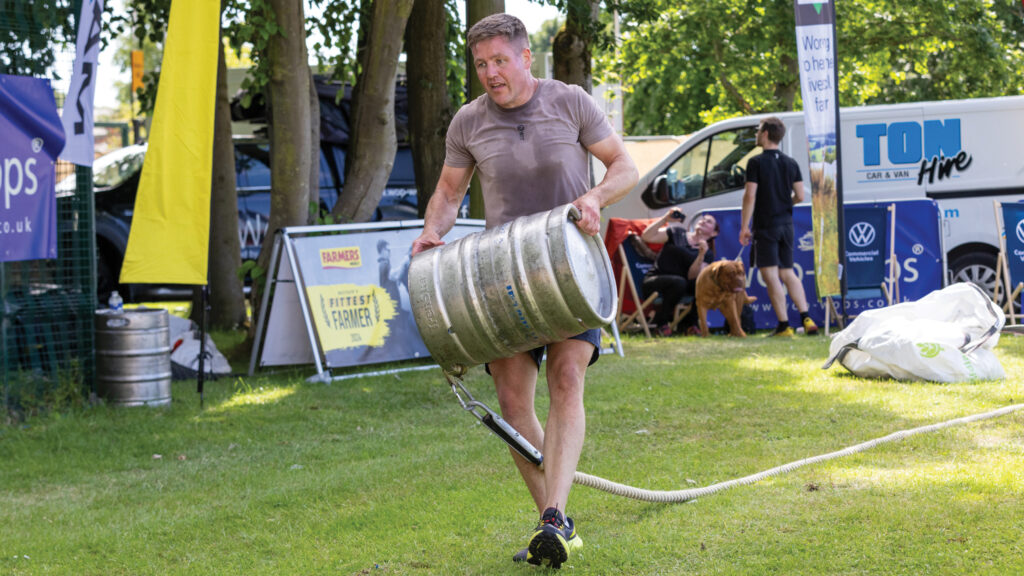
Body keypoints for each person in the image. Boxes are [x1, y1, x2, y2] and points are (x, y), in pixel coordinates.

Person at [410, 14, 638, 568]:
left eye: (499, 61)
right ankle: (555, 523)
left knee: (566, 378)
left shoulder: (570, 102)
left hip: (569, 272)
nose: (490, 73)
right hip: (501, 280)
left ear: (525, 56)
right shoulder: (468, 122)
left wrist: (594, 199)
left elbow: (623, 167)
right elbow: (448, 189)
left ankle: (554, 518)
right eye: (481, 64)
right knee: (514, 405)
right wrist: (432, 231)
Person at [739, 116, 818, 336]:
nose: (756, 134)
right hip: (786, 225)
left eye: (758, 131)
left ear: (765, 134)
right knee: (788, 272)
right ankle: (806, 317)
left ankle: (784, 325)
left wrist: (744, 226)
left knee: (771, 275)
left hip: (766, 226)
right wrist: (784, 203)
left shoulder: (755, 163)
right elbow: (800, 195)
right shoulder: (790, 163)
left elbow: (750, 195)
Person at [640, 211, 719, 336]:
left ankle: (689, 324)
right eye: (703, 219)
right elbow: (646, 237)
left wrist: (700, 255)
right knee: (679, 282)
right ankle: (661, 324)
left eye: (709, 221)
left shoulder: (707, 254)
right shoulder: (676, 233)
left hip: (680, 286)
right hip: (655, 280)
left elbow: (693, 277)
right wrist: (665, 218)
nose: (703, 221)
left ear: (714, 233)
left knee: (700, 285)